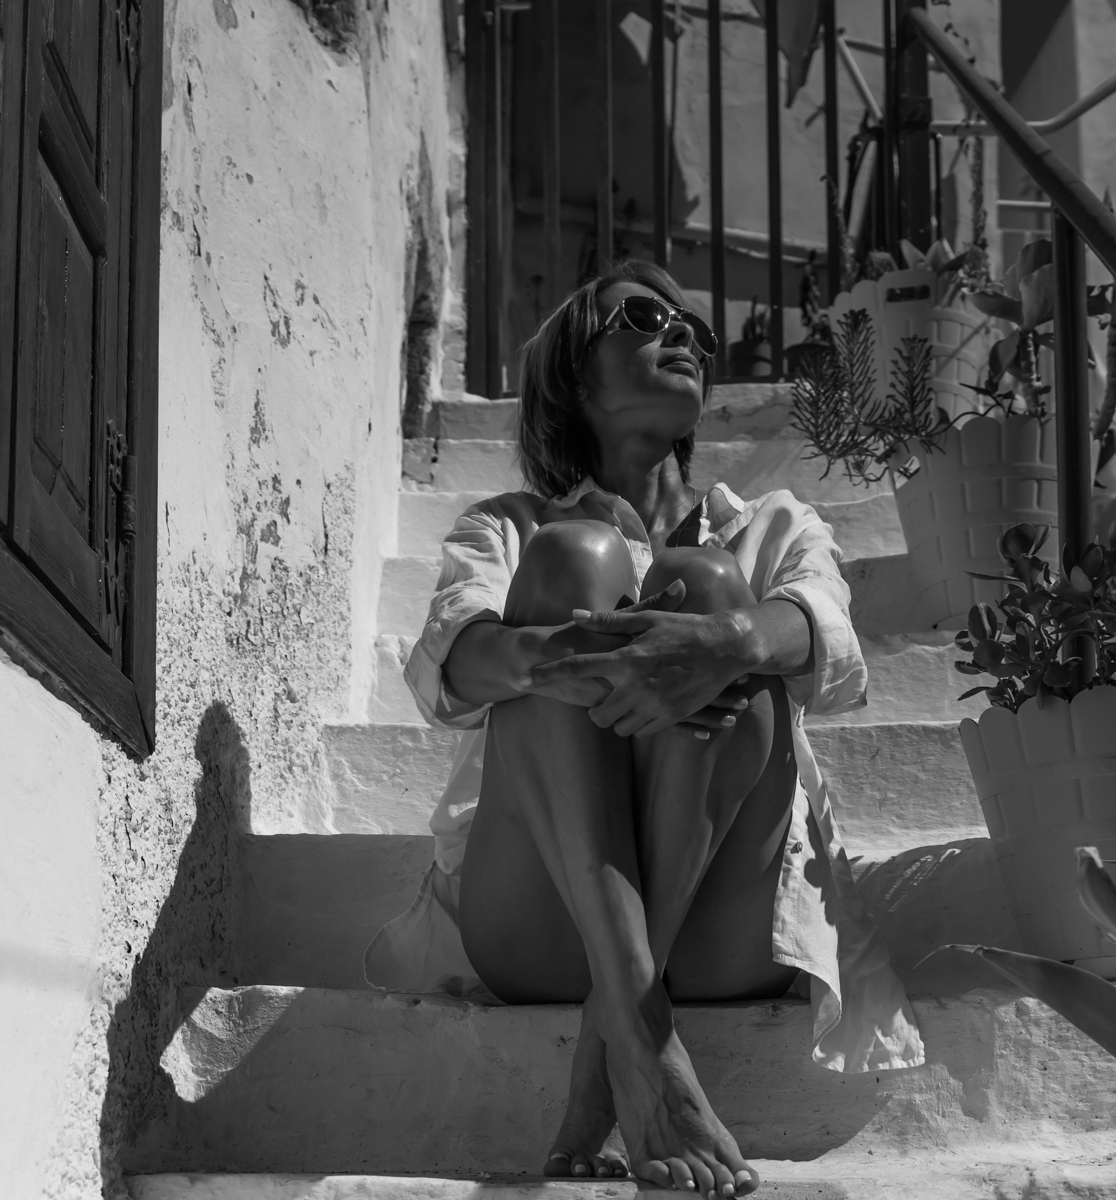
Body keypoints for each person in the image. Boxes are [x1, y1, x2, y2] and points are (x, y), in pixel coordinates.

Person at [366, 262, 923, 1196]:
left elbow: (828, 640)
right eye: (642, 317)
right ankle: (641, 1030)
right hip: (537, 923)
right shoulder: (508, 528)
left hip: (729, 928)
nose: (684, 336)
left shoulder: (775, 523)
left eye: (695, 329)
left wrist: (720, 644)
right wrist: (570, 657)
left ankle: (615, 1043)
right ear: (573, 374)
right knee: (568, 560)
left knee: (710, 588)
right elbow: (450, 670)